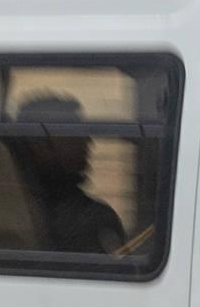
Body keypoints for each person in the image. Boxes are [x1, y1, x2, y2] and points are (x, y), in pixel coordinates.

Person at [8, 92, 127, 255]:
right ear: (40, 145)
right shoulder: (93, 219)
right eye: (74, 133)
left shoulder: (8, 202)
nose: (88, 141)